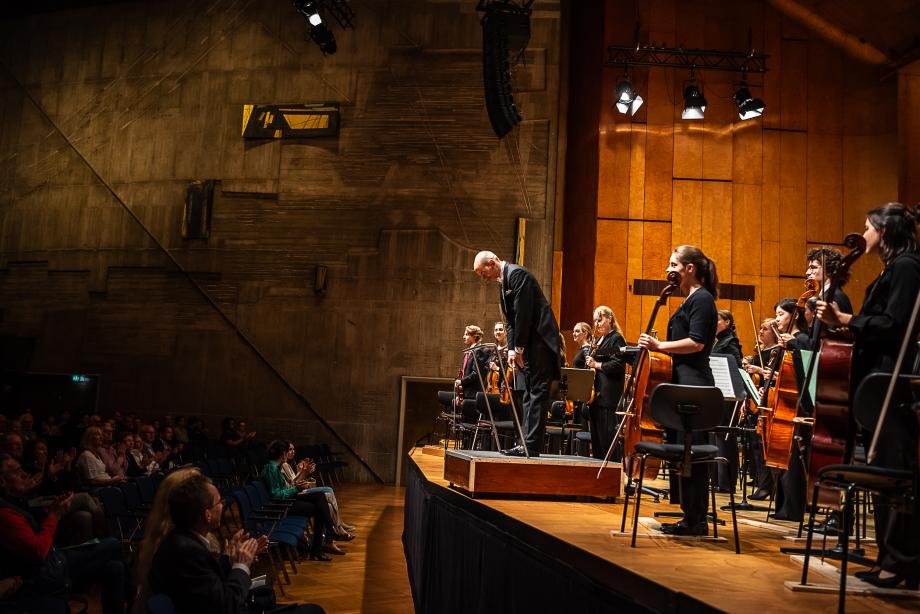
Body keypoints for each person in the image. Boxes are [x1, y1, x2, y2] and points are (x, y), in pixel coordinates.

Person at [817, 202, 920, 590]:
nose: (863, 233)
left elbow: (894, 325)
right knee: (880, 471)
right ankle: (887, 559)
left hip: (890, 381)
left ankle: (902, 563)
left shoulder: (908, 267)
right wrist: (847, 330)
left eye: (868, 227)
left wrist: (844, 319)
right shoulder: (893, 268)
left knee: (894, 472)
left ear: (886, 230)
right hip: (875, 380)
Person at [149, 472, 324, 614]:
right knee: (313, 610)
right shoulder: (187, 551)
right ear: (207, 514)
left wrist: (229, 560)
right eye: (219, 502)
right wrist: (241, 565)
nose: (223, 504)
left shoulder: (184, 540)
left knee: (268, 591)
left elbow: (207, 587)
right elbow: (226, 605)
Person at [637, 245, 718, 536]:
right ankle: (690, 516)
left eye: (673, 264)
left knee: (691, 452)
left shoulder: (703, 299)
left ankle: (697, 520)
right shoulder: (690, 300)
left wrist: (659, 347)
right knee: (683, 451)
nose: (668, 270)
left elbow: (696, 343)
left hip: (694, 385)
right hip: (682, 384)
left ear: (689, 268)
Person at [0, 454, 134, 614]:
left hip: (54, 561)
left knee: (115, 567)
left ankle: (129, 601)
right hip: (44, 575)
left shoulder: (15, 502)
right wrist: (54, 515)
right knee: (112, 544)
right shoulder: (5, 514)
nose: (24, 473)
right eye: (16, 471)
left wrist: (49, 507)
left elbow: (35, 526)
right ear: (2, 481)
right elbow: (38, 551)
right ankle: (134, 598)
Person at [473, 251, 561, 457]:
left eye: (481, 272)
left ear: (492, 262)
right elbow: (510, 322)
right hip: (528, 344)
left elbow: (523, 314)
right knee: (529, 394)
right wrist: (512, 350)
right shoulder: (504, 283)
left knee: (537, 392)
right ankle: (526, 444)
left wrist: (519, 348)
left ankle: (531, 446)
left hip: (540, 341)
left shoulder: (517, 274)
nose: (482, 277)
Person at [261, 440, 341, 561]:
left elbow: (283, 489)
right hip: (282, 506)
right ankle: (321, 544)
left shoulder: (274, 466)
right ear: (283, 454)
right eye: (287, 451)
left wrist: (296, 487)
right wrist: (295, 489)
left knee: (320, 496)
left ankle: (328, 534)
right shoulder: (272, 468)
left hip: (287, 500)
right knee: (320, 508)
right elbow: (276, 495)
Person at [279, 442, 355, 538]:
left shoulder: (286, 465)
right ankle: (337, 527)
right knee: (327, 493)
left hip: (296, 492)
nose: (293, 452)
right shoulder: (281, 466)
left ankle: (336, 528)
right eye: (290, 450)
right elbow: (292, 485)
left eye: (293, 449)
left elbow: (294, 482)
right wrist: (304, 472)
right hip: (293, 497)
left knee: (328, 496)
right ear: (283, 453)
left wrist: (303, 471)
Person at [583, 307, 626, 460]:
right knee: (597, 442)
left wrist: (596, 365)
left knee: (607, 439)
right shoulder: (600, 341)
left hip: (608, 398)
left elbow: (619, 364)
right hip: (596, 397)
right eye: (595, 321)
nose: (597, 324)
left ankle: (612, 474)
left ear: (610, 319)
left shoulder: (616, 338)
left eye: (599, 320)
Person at [805, 246, 853, 315]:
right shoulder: (826, 296)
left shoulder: (835, 298)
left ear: (829, 269)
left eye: (813, 267)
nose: (807, 272)